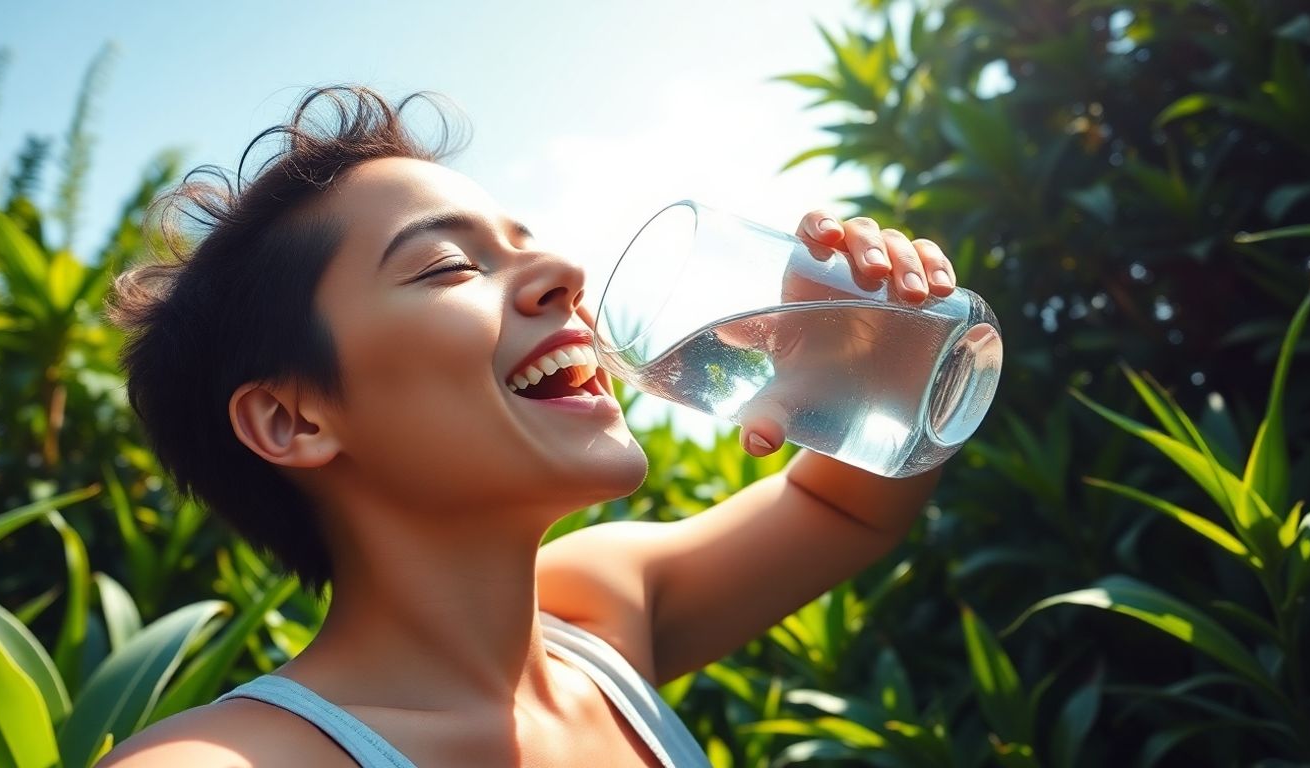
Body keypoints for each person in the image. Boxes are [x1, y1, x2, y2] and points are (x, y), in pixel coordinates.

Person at [101, 86, 959, 768]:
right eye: (448, 265)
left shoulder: (597, 615)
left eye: (527, 243)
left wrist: (865, 364)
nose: (565, 271)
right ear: (291, 418)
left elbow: (843, 512)